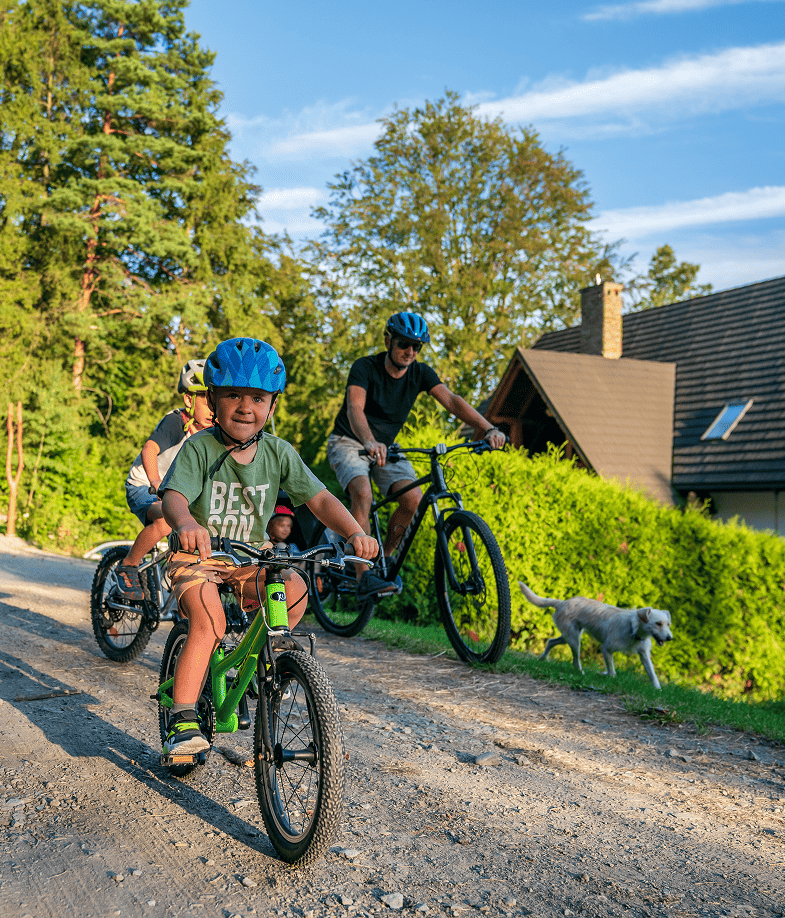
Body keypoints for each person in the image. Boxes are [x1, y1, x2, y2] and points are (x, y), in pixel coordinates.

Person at [158, 338, 379, 757]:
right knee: (209, 623)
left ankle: (261, 664)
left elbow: (320, 500)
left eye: (257, 398)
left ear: (272, 406)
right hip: (199, 558)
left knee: (294, 588)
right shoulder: (200, 448)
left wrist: (354, 532)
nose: (245, 407)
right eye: (233, 396)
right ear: (213, 400)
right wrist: (186, 523)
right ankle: (183, 717)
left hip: (250, 557)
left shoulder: (279, 452)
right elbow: (174, 498)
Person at [326, 311, 505, 596]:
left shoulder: (421, 373)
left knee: (413, 500)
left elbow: (453, 402)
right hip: (349, 440)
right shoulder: (365, 367)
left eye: (416, 347)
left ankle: (381, 557)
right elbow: (354, 408)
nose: (409, 351)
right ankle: (363, 576)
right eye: (403, 344)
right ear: (388, 341)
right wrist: (370, 441)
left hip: (387, 446)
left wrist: (489, 428)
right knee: (363, 493)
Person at [112, 360, 216, 600]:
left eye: (215, 400)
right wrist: (155, 481)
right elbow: (149, 449)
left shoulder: (211, 434)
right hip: (144, 487)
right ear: (189, 400)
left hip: (176, 492)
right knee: (170, 520)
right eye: (205, 401)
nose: (213, 409)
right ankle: (128, 565)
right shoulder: (175, 422)